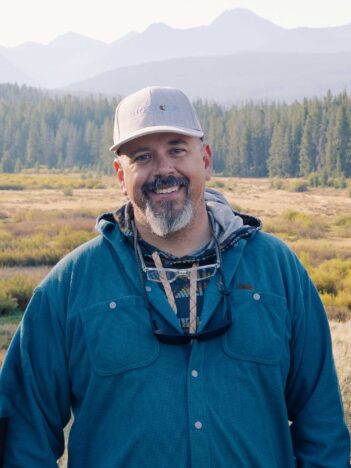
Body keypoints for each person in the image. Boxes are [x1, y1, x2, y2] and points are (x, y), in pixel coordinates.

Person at [0, 86, 350, 467]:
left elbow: (323, 430)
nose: (164, 169)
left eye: (177, 149)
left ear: (206, 159)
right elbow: (24, 435)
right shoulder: (70, 285)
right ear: (121, 174)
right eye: (143, 157)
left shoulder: (278, 270)